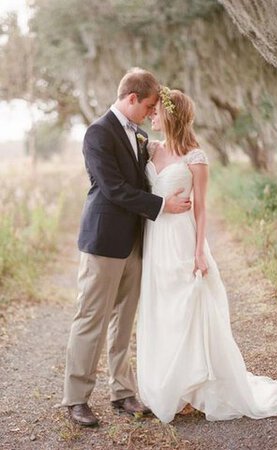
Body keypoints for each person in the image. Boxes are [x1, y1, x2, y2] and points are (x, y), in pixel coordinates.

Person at [136, 87, 277, 423]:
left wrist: (199, 252)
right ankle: (170, 387)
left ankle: (195, 389)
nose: (151, 116)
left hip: (182, 238)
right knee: (161, 308)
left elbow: (201, 210)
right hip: (155, 238)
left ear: (170, 114)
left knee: (188, 308)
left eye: (156, 111)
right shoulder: (149, 149)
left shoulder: (195, 157)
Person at [62, 69, 191, 427]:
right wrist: (163, 206)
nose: (152, 113)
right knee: (91, 319)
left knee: (124, 321)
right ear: (131, 98)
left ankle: (122, 392)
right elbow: (114, 188)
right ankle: (76, 399)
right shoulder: (97, 133)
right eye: (149, 106)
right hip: (103, 241)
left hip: (135, 242)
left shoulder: (140, 134)